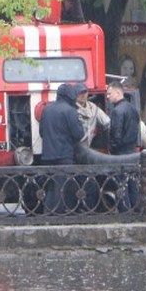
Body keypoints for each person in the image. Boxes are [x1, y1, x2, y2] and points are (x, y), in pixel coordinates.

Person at [38, 82, 87, 214]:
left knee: (51, 187)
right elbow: (78, 134)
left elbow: (42, 132)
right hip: (64, 155)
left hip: (47, 155)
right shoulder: (70, 111)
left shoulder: (47, 109)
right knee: (63, 187)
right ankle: (60, 215)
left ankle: (47, 213)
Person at [105, 81, 141, 212]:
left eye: (109, 93)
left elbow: (116, 134)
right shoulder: (133, 108)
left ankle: (125, 211)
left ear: (118, 92)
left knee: (121, 184)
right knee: (133, 184)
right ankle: (137, 210)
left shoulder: (117, 111)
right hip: (132, 151)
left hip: (120, 154)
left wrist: (112, 148)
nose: (107, 97)